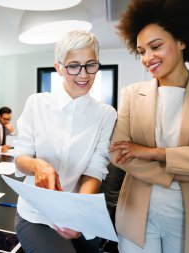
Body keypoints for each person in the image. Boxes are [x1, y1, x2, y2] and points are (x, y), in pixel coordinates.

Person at [109, 1, 189, 253]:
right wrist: (185, 169)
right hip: (137, 218)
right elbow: (118, 153)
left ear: (182, 41)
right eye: (141, 51)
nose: (147, 58)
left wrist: (154, 153)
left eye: (156, 46)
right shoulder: (131, 93)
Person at [14, 30, 117, 253]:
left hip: (78, 209)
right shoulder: (37, 104)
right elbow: (20, 158)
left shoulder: (106, 114)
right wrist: (38, 165)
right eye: (73, 66)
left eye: (90, 65)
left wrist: (77, 215)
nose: (83, 74)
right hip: (36, 214)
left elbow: (95, 169)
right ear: (59, 67)